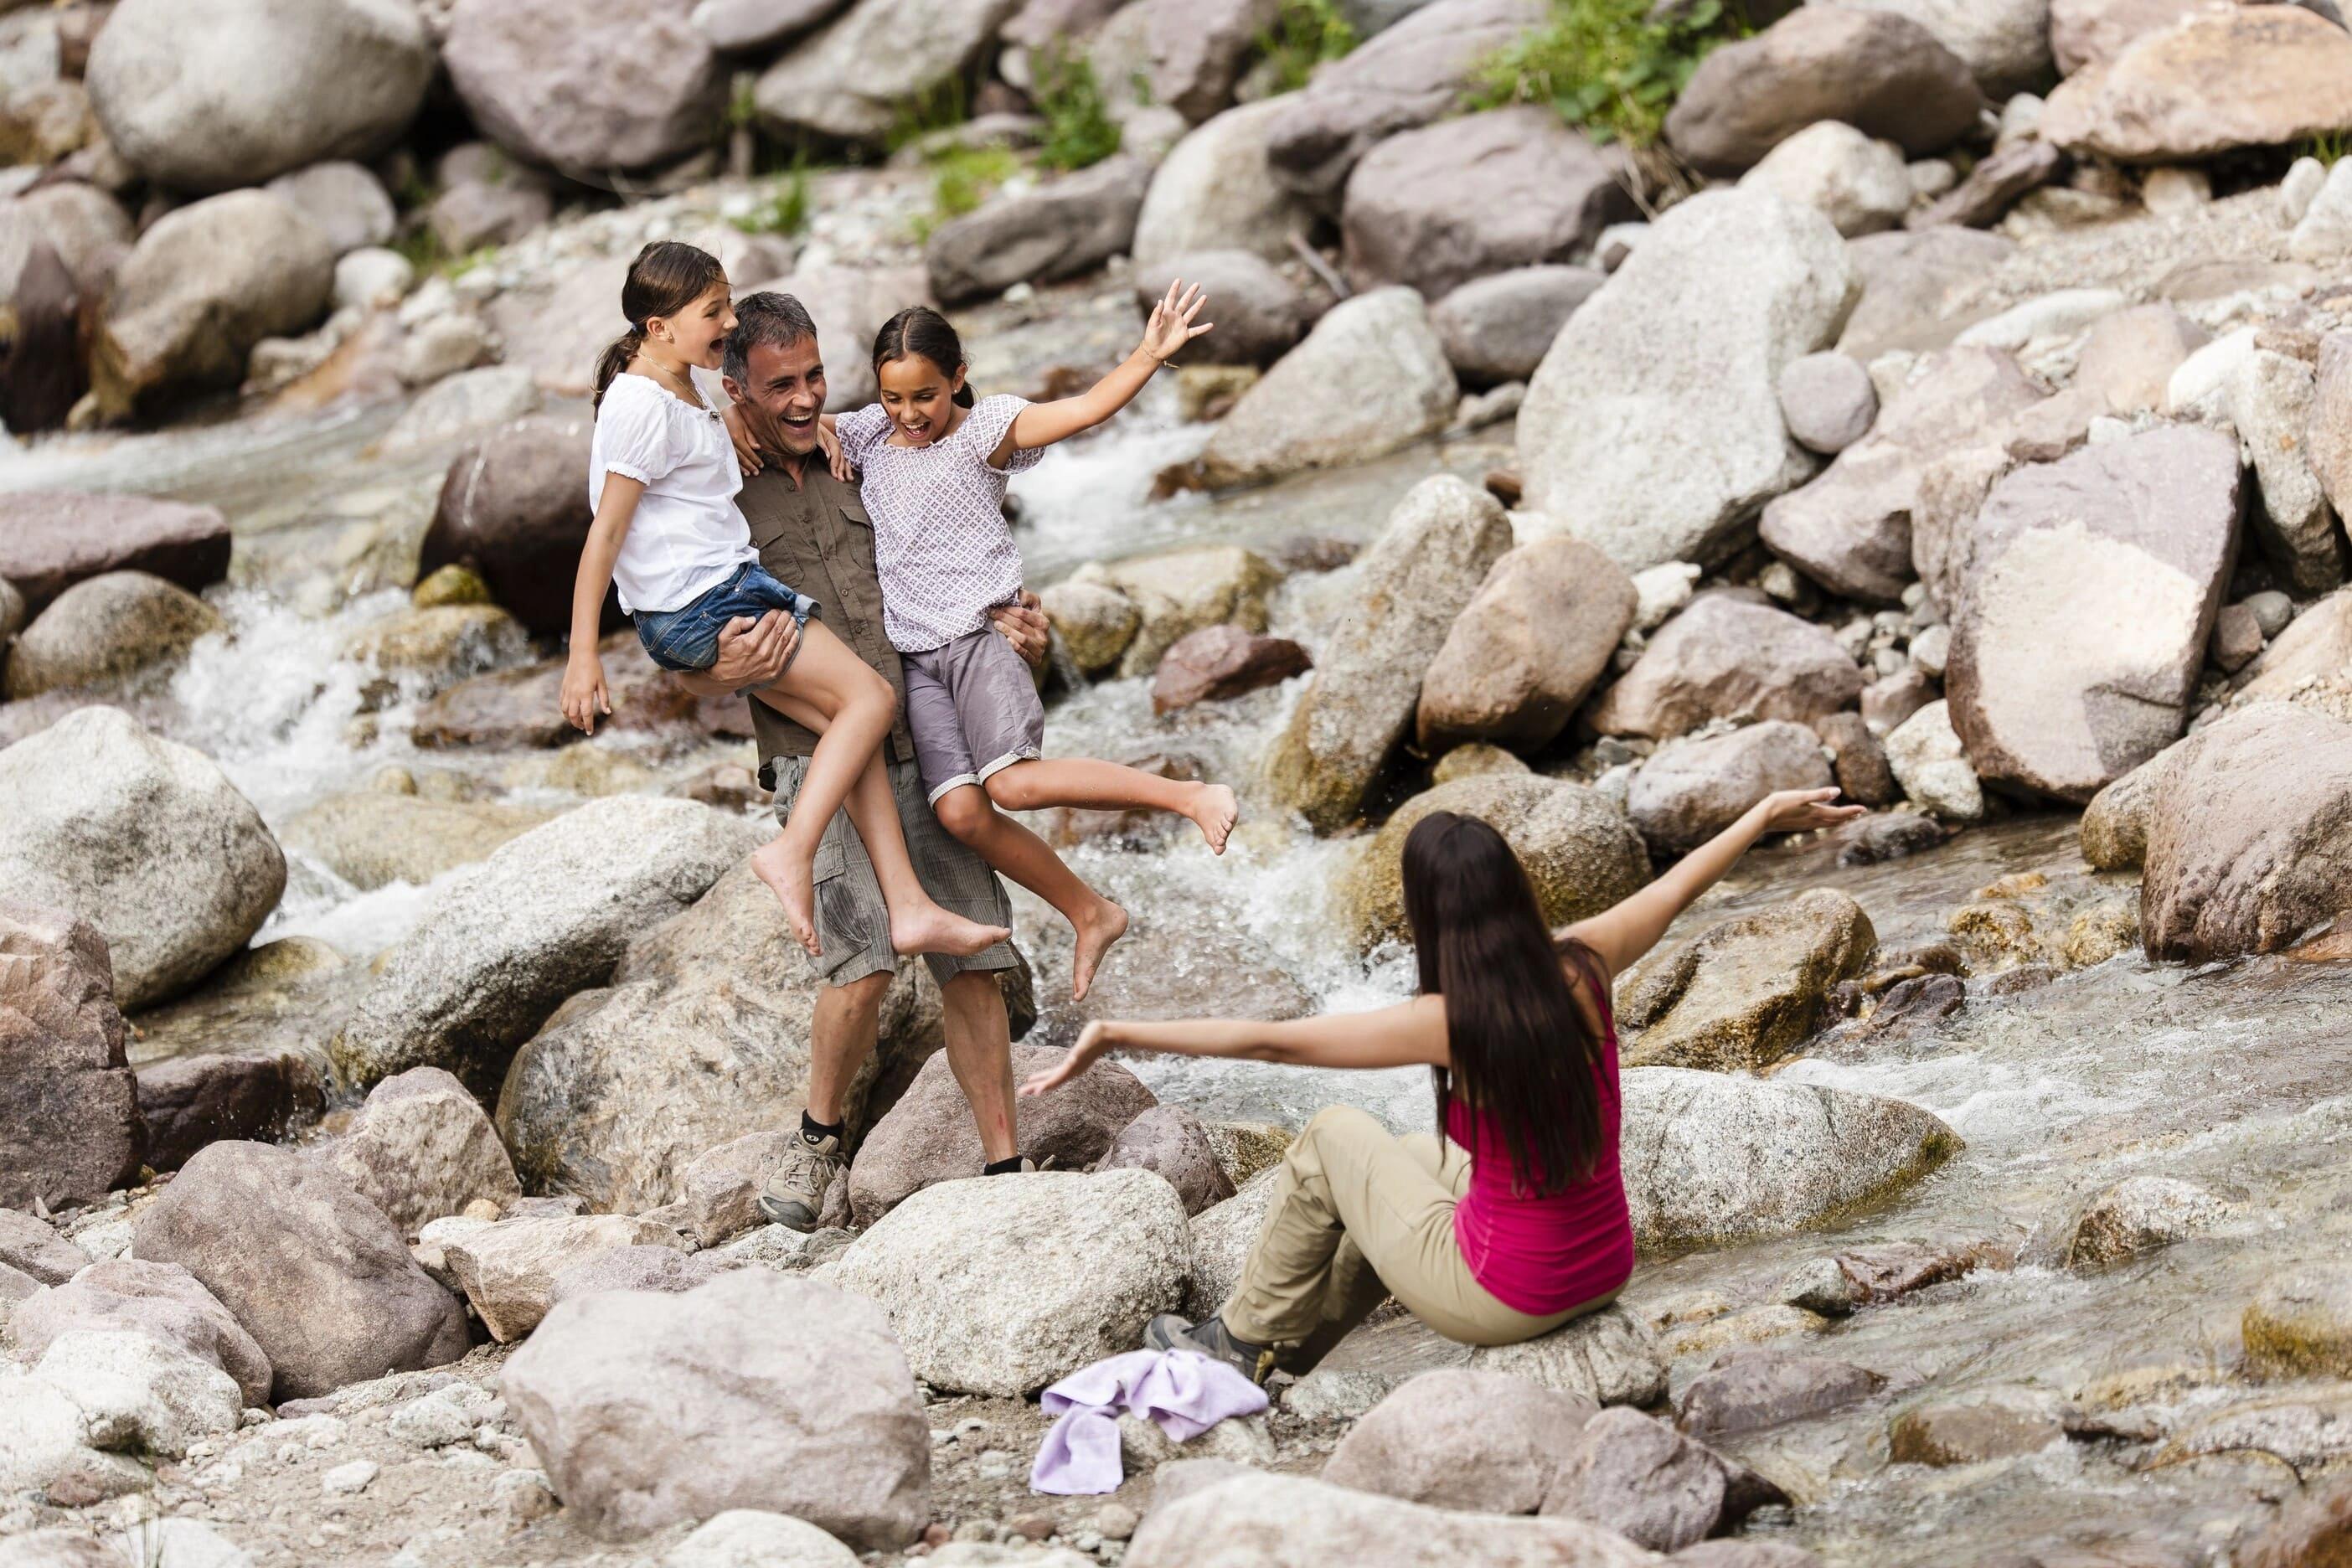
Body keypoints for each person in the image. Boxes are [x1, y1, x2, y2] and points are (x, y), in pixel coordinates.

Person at [1019, 787, 1866, 1382]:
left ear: (1432, 915)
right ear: (1514, 891)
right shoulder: (1582, 962)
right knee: (1416, 1155)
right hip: (1602, 1265)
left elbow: (1275, 1043)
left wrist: (1118, 1031)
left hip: (1509, 1295)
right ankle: (1294, 1351)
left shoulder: (1452, 1019)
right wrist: (1759, 816)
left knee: (1334, 1138)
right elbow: (1676, 888)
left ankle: (1236, 1341)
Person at [671, 291, 1052, 1227]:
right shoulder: (715, 484)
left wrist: (1019, 633)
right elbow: (674, 659)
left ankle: (1008, 1167)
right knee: (863, 962)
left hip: (926, 728)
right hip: (816, 753)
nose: (802, 401)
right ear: (736, 387)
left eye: (813, 378)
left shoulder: (872, 450)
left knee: (974, 951)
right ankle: (815, 1142)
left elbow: (959, 544)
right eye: (778, 386)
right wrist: (715, 679)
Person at [560, 241, 1007, 968]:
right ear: (658, 328)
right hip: (707, 600)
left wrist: (744, 425)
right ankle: (791, 852)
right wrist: (583, 658)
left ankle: (911, 907)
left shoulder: (688, 387)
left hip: (711, 594)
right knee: (867, 701)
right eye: (714, 311)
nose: (728, 321)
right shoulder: (641, 404)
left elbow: (719, 432)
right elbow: (605, 532)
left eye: (727, 302)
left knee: (848, 722)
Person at [823, 291, 1238, 1001]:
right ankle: (1091, 912)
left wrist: (1147, 356)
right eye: (894, 398)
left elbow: (1080, 411)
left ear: (957, 376)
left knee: (1012, 784)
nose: (910, 413)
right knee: (960, 812)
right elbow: (798, 420)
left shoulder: (985, 429)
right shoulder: (868, 436)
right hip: (917, 658)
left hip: (982, 639)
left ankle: (1189, 794)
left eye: (924, 394)